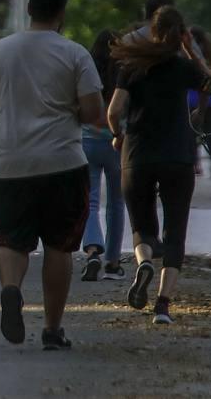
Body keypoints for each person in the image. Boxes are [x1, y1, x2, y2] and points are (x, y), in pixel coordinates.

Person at [0, 0, 103, 349]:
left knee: (12, 241)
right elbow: (94, 112)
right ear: (62, 12)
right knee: (59, 247)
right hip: (63, 164)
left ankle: (11, 289)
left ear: (29, 8)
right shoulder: (76, 54)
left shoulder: (0, 51)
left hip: (11, 165)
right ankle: (51, 328)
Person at [107, 6, 211, 325]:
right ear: (181, 35)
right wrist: (191, 52)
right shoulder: (183, 67)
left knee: (142, 227)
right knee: (176, 231)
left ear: (152, 32)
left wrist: (118, 135)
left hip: (138, 154)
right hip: (178, 156)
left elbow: (114, 111)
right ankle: (163, 306)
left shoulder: (132, 66)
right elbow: (210, 85)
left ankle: (144, 264)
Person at [78, 30, 126, 282]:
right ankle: (113, 262)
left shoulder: (87, 72)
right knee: (117, 203)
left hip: (88, 141)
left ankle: (93, 251)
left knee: (90, 200)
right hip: (118, 141)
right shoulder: (124, 72)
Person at [187, 26, 211, 179]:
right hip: (208, 97)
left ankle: (196, 164)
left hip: (191, 97)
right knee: (209, 132)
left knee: (192, 132)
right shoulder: (210, 56)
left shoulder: (188, 53)